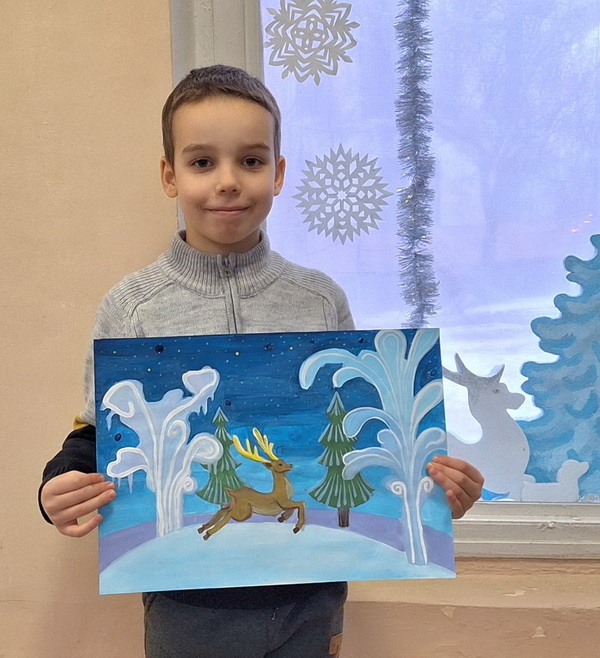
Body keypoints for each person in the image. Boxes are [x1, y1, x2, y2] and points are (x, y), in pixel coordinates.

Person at [39, 65, 484, 658]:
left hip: (312, 600)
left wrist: (434, 484)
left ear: (277, 173)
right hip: (187, 609)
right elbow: (97, 432)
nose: (228, 182)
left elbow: (360, 434)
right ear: (170, 176)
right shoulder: (132, 307)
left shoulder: (320, 299)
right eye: (202, 162)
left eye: (250, 161)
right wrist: (58, 485)